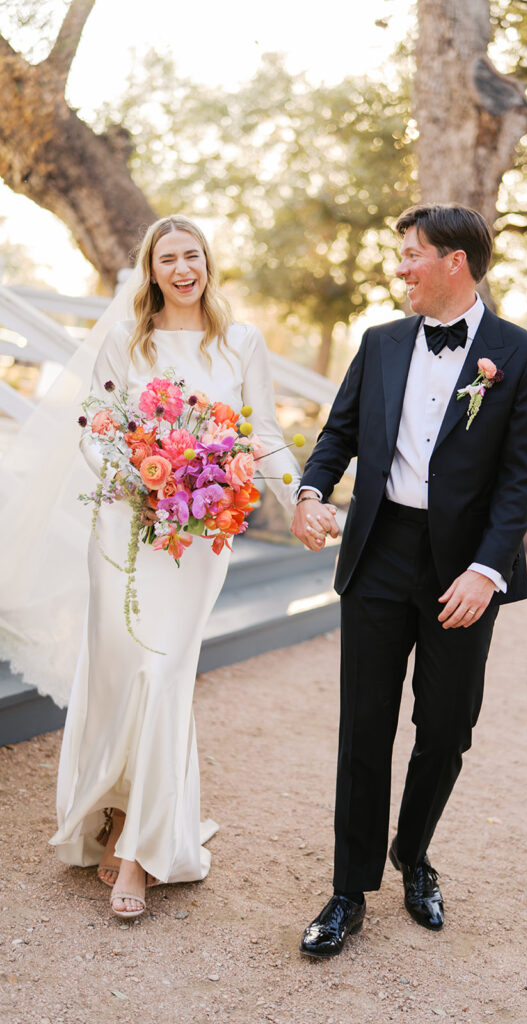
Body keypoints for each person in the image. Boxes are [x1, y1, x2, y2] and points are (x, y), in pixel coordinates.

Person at [290, 202, 527, 958]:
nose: (400, 267)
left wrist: (485, 571)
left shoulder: (520, 354)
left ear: (453, 262)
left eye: (411, 254)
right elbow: (338, 433)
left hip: (462, 569)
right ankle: (348, 890)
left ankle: (413, 853)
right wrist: (310, 492)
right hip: (378, 552)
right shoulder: (378, 342)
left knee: (445, 727)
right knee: (364, 726)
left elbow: (520, 478)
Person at [46, 215, 301, 918]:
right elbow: (96, 427)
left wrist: (300, 497)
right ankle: (119, 810)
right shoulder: (128, 341)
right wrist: (139, 481)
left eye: (193, 256)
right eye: (168, 259)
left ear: (208, 263)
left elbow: (264, 432)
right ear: (151, 271)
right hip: (126, 528)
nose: (182, 269)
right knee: (120, 674)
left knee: (162, 676)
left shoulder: (240, 342)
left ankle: (141, 852)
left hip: (198, 537)